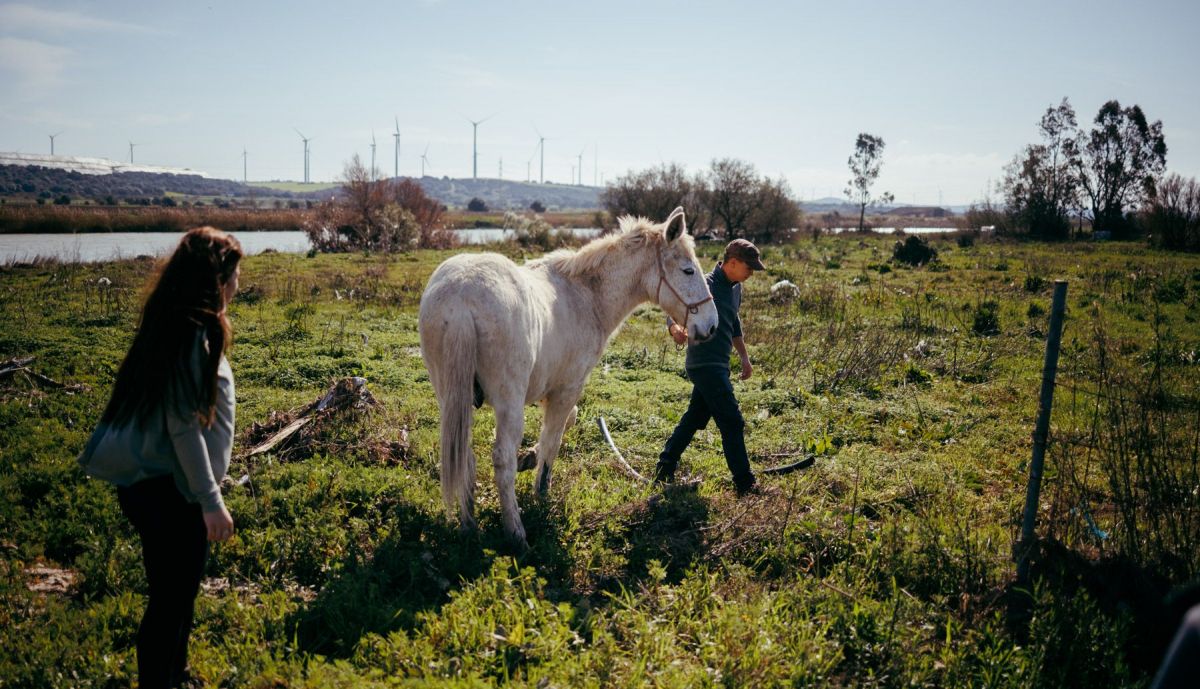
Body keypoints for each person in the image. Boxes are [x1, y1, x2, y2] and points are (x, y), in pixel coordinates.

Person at [77, 227, 241, 689]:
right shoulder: (190, 335)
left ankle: (176, 673)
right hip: (171, 491)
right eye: (234, 274)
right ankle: (159, 679)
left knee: (177, 593)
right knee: (170, 600)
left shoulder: (176, 322)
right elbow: (183, 427)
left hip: (162, 486)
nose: (239, 284)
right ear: (216, 279)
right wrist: (210, 500)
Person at [655, 238, 764, 495]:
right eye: (749, 268)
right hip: (704, 363)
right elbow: (672, 311)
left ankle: (664, 466)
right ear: (733, 263)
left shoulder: (736, 288)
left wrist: (744, 357)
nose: (751, 273)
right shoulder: (704, 285)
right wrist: (674, 329)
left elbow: (733, 323)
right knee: (732, 421)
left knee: (695, 417)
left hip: (719, 364)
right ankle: (745, 483)